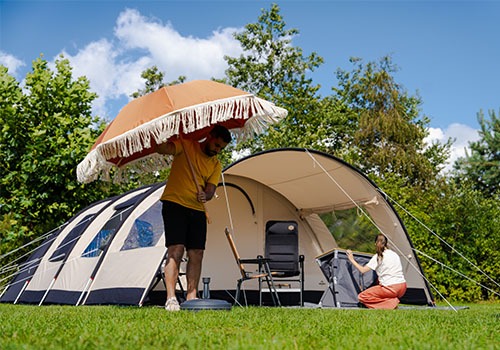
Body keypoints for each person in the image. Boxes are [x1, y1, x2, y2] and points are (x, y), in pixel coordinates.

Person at [156, 125, 231, 311]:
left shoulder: (215, 164)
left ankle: (191, 297)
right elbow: (162, 149)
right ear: (209, 136)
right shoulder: (186, 145)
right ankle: (171, 298)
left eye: (221, 148)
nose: (217, 150)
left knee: (197, 253)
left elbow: (211, 190)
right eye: (216, 144)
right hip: (174, 204)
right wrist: (158, 135)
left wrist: (206, 195)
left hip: (197, 209)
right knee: (176, 249)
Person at [346, 234, 407, 309]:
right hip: (402, 287)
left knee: (362, 296)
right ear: (386, 243)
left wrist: (352, 259)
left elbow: (363, 270)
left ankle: (392, 303)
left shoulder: (378, 256)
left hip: (391, 288)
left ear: (375, 243)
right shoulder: (395, 254)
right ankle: (392, 301)